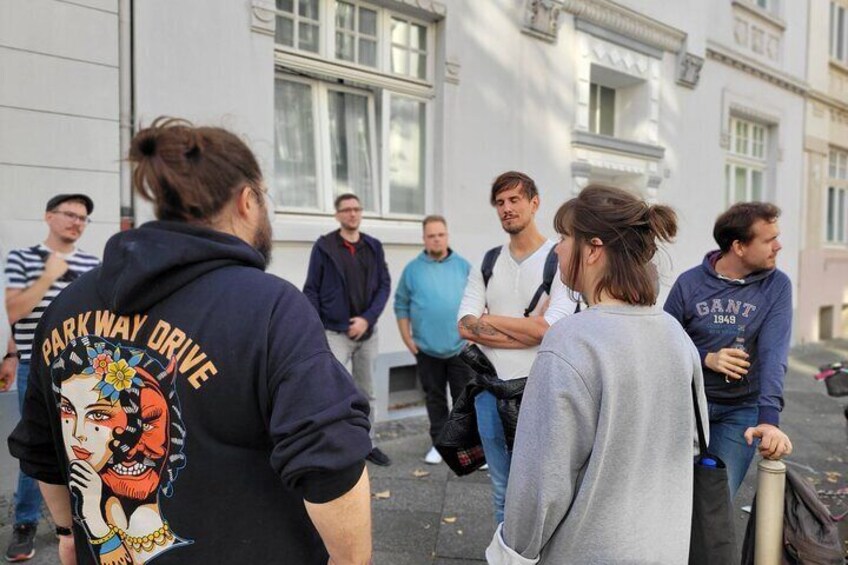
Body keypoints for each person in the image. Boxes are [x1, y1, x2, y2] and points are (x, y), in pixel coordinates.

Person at [8, 117, 373, 565]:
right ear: (246, 200)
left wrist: (68, 533)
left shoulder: (66, 306)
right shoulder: (272, 307)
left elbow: (42, 449)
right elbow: (331, 463)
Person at [486, 185, 708, 564]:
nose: (557, 249)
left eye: (564, 237)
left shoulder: (570, 341)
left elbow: (541, 481)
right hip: (664, 545)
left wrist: (511, 553)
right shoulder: (675, 333)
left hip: (589, 549)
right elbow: (693, 440)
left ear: (592, 249)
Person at [457, 171, 576, 524]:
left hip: (540, 392)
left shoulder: (559, 259)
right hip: (490, 393)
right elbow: (464, 324)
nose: (506, 208)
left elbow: (549, 330)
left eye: (514, 200)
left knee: (543, 490)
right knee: (502, 490)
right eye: (500, 202)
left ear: (534, 203)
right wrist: (527, 328)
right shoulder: (488, 262)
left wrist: (490, 321)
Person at [664, 201, 793, 498]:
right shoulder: (689, 284)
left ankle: (704, 547)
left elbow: (774, 355)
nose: (778, 246)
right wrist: (706, 358)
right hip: (687, 406)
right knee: (674, 497)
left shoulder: (777, 286)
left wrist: (768, 420)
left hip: (740, 412)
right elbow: (665, 346)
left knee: (716, 502)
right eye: (769, 239)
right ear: (739, 246)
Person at [3, 193, 100, 563]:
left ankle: (83, 520)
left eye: (83, 218)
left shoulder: (94, 263)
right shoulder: (23, 259)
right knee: (38, 446)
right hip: (37, 368)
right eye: (70, 214)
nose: (77, 222)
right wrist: (48, 277)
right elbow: (11, 310)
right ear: (48, 217)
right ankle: (25, 523)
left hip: (85, 370)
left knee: (85, 447)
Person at [303, 193, 392, 467]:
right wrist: (317, 329)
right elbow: (311, 290)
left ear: (361, 212)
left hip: (368, 334)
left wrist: (367, 319)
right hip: (335, 333)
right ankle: (334, 447)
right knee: (331, 391)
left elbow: (384, 286)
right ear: (338, 214)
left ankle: (369, 444)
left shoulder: (373, 246)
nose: (352, 214)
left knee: (367, 392)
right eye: (346, 210)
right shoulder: (324, 247)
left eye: (356, 209)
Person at [394, 215, 474, 465]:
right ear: (424, 239)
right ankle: (440, 446)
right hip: (427, 349)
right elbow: (401, 304)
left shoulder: (464, 267)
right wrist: (407, 338)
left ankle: (466, 446)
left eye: (440, 234)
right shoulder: (412, 269)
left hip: (459, 347)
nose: (436, 239)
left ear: (447, 236)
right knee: (435, 399)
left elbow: (478, 303)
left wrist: (474, 337)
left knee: (463, 399)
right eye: (431, 235)